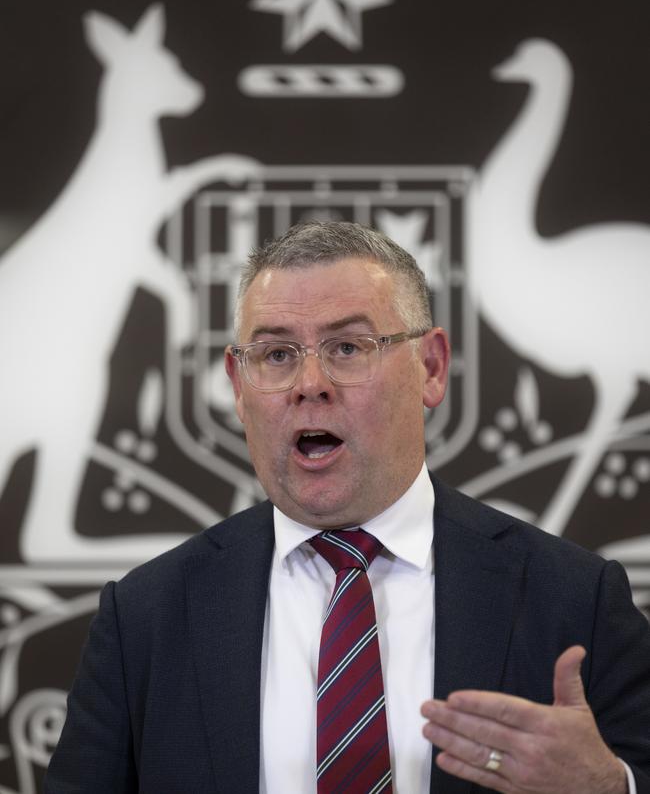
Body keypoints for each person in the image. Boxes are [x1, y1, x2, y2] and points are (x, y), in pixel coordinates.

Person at [46, 221, 650, 794]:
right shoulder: (144, 618)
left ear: (431, 368)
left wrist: (608, 788)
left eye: (348, 347)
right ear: (238, 385)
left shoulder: (576, 599)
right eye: (277, 355)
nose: (311, 382)